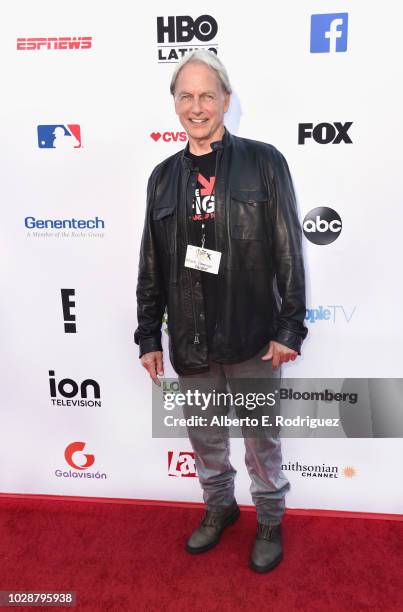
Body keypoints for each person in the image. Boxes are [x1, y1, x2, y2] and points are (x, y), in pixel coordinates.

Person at [134, 50, 308, 573]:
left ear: (226, 101)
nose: (196, 106)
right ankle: (219, 506)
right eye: (185, 96)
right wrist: (148, 334)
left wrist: (289, 326)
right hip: (190, 337)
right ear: (174, 105)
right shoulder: (162, 177)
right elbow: (151, 259)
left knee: (260, 439)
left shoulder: (264, 161)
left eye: (207, 94)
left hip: (254, 333)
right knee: (205, 435)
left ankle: (271, 518)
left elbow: (287, 250)